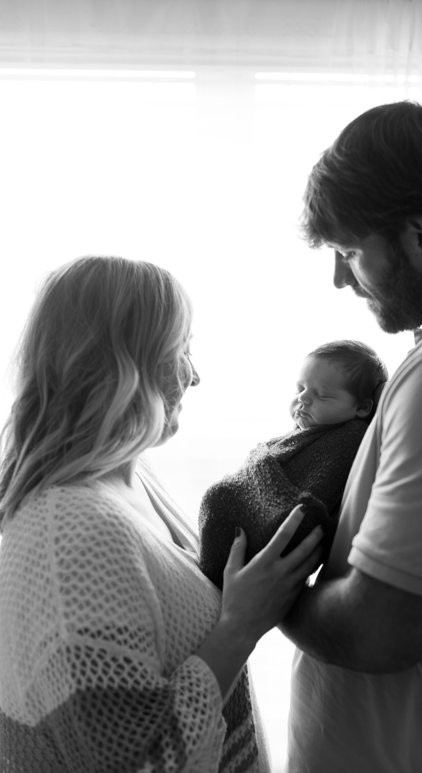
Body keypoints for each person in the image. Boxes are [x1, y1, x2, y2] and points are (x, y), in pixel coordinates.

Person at [0, 256, 324, 772]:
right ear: (125, 364)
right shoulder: (68, 533)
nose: (194, 376)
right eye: (182, 351)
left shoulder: (131, 477)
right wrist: (240, 625)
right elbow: (137, 765)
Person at [279, 101, 422, 772]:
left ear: (417, 237)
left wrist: (266, 590)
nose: (338, 277)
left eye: (350, 252)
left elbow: (382, 629)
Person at [197, 340, 387, 587]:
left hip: (274, 526)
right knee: (219, 495)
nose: (303, 399)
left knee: (220, 496)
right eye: (300, 389)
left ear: (361, 408)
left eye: (322, 395)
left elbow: (318, 494)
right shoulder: (310, 431)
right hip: (239, 527)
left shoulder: (352, 438)